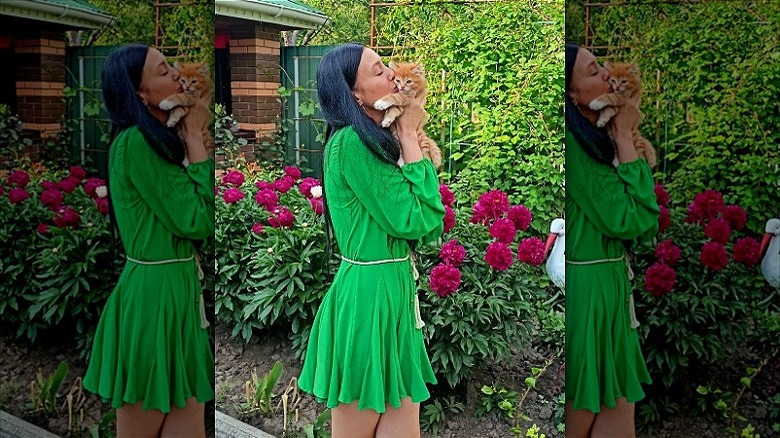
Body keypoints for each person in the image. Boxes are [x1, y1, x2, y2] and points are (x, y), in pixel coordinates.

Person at [297, 43, 445, 438]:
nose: (392, 76)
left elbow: (430, 228)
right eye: (379, 71)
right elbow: (417, 219)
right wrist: (411, 137)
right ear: (354, 94)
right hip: (367, 300)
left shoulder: (378, 143)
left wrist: (406, 135)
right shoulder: (351, 144)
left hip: (393, 291)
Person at [82, 44, 214, 438]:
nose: (175, 75)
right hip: (153, 300)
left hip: (176, 291)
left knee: (186, 423)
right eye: (162, 72)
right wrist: (193, 137)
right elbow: (197, 219)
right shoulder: (138, 143)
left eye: (171, 66)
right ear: (140, 94)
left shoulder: (153, 138)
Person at [564, 42, 660, 437]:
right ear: (570, 94)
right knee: (581, 410)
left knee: (618, 408)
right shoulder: (575, 147)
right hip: (586, 294)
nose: (605, 74)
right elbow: (633, 219)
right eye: (592, 72)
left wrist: (620, 131)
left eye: (600, 65)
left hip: (611, 285)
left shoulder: (591, 139)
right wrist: (622, 132)